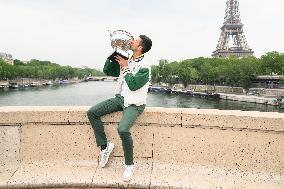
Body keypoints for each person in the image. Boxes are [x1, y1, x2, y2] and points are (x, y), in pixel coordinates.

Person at [87, 35, 152, 182]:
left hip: (135, 103)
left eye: (135, 40)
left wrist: (126, 67)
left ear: (140, 47)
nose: (131, 41)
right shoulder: (126, 59)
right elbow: (108, 71)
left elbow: (134, 85)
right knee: (92, 112)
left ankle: (129, 165)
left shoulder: (145, 66)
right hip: (120, 99)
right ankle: (105, 147)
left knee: (122, 129)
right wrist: (114, 53)